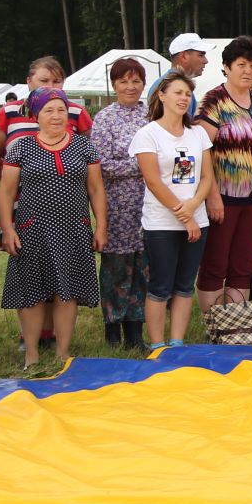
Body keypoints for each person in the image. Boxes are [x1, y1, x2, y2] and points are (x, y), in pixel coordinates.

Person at [0, 88, 106, 371]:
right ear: (36, 115)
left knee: (66, 292)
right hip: (32, 229)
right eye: (49, 110)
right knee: (32, 292)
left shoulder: (84, 146)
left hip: (73, 229)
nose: (56, 116)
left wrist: (101, 226)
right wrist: (7, 229)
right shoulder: (21, 147)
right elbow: (6, 193)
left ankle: (62, 354)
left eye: (61, 109)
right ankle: (31, 355)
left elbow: (95, 189)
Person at [195, 36, 252, 316]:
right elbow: (201, 151)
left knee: (243, 265)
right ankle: (214, 325)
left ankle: (235, 324)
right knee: (215, 263)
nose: (248, 70)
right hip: (223, 196)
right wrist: (211, 196)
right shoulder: (214, 101)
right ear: (226, 67)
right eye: (241, 64)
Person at [133, 71, 215, 348]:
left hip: (197, 220)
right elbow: (154, 182)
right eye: (178, 92)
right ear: (162, 95)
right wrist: (185, 215)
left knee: (184, 285)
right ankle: (157, 346)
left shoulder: (198, 133)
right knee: (160, 285)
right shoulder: (148, 134)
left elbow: (206, 178)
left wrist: (193, 209)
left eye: (188, 94)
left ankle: (176, 343)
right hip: (161, 223)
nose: (184, 98)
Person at [91, 57, 150, 350]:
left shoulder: (152, 114)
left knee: (143, 268)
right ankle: (113, 328)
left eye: (136, 81)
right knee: (116, 268)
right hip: (115, 206)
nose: (130, 87)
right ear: (114, 85)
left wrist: (147, 166)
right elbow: (101, 165)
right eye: (124, 81)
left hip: (150, 205)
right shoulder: (104, 118)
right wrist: (140, 164)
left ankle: (136, 330)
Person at [0, 56, 90, 179]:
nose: (50, 86)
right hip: (22, 197)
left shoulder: (77, 112)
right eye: (44, 81)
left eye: (56, 81)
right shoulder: (8, 112)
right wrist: (12, 186)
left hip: (69, 195)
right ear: (29, 82)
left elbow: (91, 157)